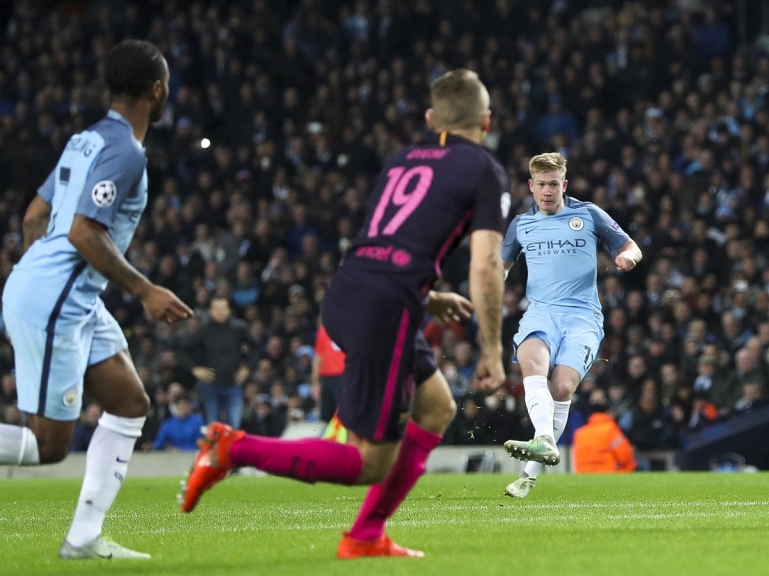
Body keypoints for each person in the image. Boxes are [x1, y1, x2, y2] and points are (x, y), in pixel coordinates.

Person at [181, 69, 509, 559]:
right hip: (387, 306)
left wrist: (426, 293)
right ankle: (232, 448)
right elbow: (485, 266)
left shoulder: (401, 160)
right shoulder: (485, 169)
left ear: (429, 119)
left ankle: (365, 536)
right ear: (486, 121)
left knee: (437, 407)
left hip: (352, 289)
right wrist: (491, 348)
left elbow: (387, 243)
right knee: (371, 461)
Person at [0, 40, 192, 559]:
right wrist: (144, 289)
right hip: (57, 299)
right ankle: (82, 538)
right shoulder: (125, 151)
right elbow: (85, 232)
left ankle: (83, 539)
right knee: (49, 446)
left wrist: (46, 278)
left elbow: (33, 217)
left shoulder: (84, 140)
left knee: (130, 403)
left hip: (67, 296)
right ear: (157, 90)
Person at [500, 152, 642, 498]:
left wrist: (627, 257)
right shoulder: (521, 225)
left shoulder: (588, 213)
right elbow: (500, 268)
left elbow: (630, 245)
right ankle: (545, 439)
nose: (547, 191)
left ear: (563, 185)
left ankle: (528, 475)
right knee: (531, 363)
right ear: (531, 187)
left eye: (553, 185)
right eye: (541, 185)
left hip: (582, 316)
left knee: (562, 388)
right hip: (541, 312)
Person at [179, 296, 258, 428]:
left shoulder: (239, 327)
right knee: (213, 428)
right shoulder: (204, 329)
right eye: (217, 309)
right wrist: (194, 368)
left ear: (229, 310)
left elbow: (257, 347)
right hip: (211, 384)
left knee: (234, 427)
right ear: (210, 311)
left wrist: (248, 368)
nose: (221, 312)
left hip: (234, 383)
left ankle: (232, 449)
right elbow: (182, 349)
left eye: (224, 308)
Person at [571, 389, 637, 474]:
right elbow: (626, 456)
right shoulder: (611, 430)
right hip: (608, 474)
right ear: (608, 412)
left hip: (584, 476)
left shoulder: (579, 433)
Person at [310, 322, 347, 441]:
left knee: (342, 414)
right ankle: (326, 444)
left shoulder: (350, 328)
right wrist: (315, 383)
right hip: (326, 378)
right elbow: (318, 357)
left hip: (344, 376)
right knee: (325, 414)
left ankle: (343, 444)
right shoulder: (323, 331)